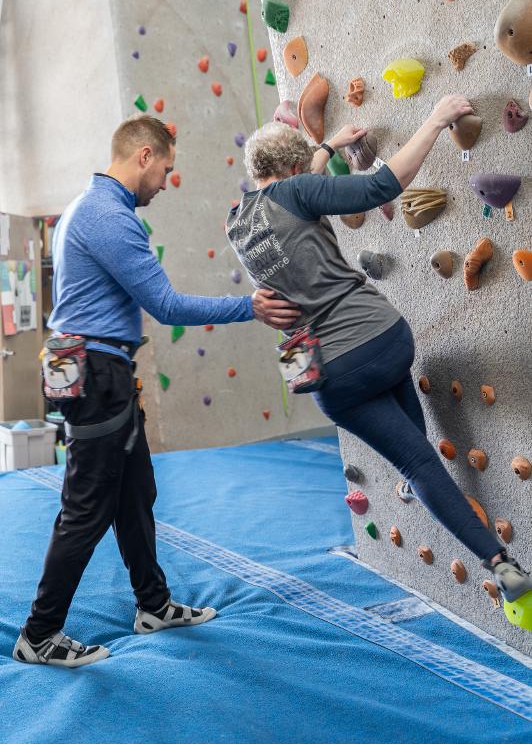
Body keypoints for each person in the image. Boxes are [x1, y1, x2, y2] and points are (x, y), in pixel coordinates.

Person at [226, 95, 532, 613]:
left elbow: (296, 193)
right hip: (383, 340)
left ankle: (498, 562)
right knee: (417, 453)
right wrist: (435, 121)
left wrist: (323, 148)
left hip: (330, 376)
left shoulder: (237, 221)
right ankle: (433, 489)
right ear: (297, 171)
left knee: (415, 462)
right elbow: (378, 186)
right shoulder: (300, 190)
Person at [13, 115, 300, 668]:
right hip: (97, 374)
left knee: (134, 491)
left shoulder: (90, 208)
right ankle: (39, 634)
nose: (167, 182)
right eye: (166, 169)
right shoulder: (108, 217)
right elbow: (165, 306)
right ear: (143, 156)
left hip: (102, 370)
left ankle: (153, 604)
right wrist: (251, 306)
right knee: (88, 507)